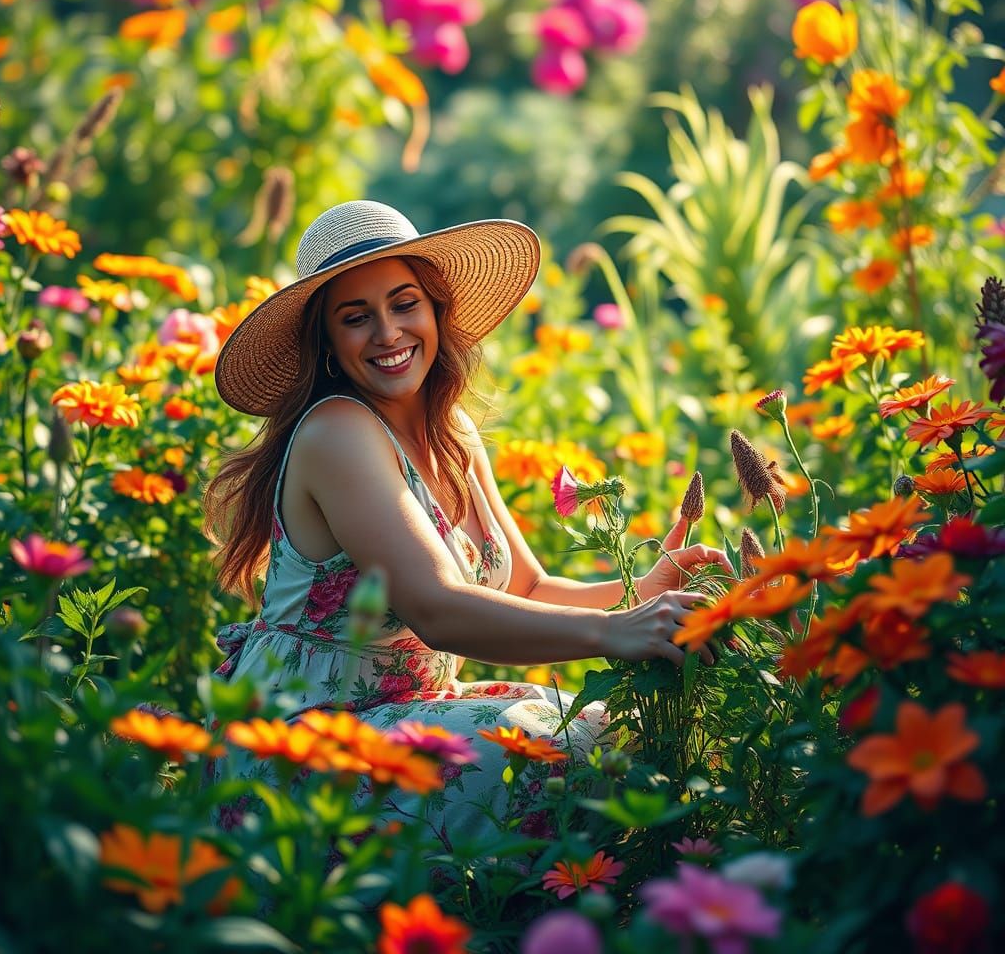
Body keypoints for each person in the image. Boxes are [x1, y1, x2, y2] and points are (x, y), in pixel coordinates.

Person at [203, 200, 729, 850]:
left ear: (435, 309)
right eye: (356, 317)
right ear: (328, 343)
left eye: (404, 304)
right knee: (564, 755)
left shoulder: (452, 432)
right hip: (305, 746)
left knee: (620, 730)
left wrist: (643, 591)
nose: (389, 333)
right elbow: (437, 609)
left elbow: (526, 589)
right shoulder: (337, 433)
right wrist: (615, 632)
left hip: (405, 720)